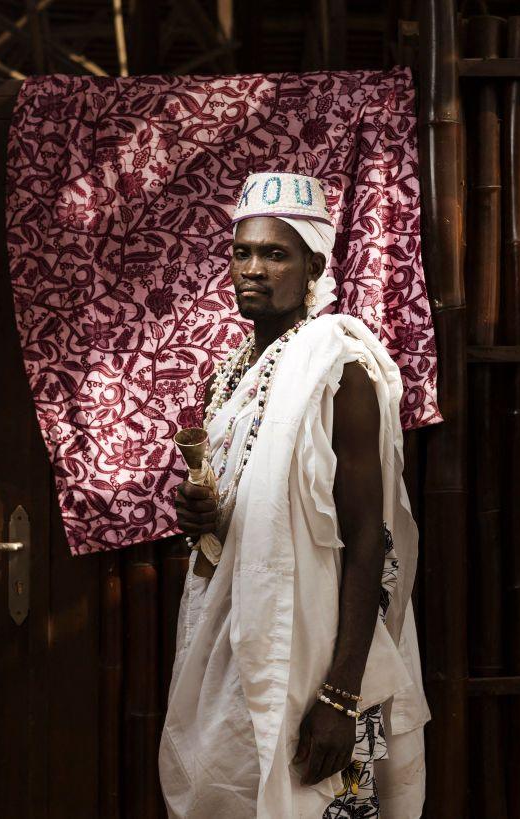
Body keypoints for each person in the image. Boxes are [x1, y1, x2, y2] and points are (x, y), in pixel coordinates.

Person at [159, 172, 429, 818]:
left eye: (275, 254)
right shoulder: (229, 377)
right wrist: (203, 515)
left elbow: (371, 539)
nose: (252, 269)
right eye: (241, 252)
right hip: (236, 648)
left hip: (318, 664)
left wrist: (340, 694)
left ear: (313, 264)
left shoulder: (339, 373)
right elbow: (244, 523)